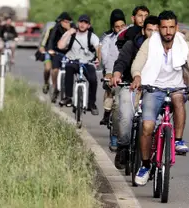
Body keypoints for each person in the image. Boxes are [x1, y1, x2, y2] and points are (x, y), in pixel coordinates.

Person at [129, 10, 189, 186]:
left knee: (179, 99)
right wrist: (137, 76)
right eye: (164, 28)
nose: (168, 32)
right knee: (147, 127)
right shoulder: (150, 43)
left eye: (171, 27)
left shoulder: (183, 43)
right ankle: (145, 165)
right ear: (159, 29)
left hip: (175, 87)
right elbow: (137, 63)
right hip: (153, 88)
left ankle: (177, 140)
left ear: (176, 27)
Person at [112, 15, 159, 169]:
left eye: (156, 30)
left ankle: (158, 153)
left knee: (158, 121)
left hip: (154, 89)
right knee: (125, 114)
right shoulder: (131, 45)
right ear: (144, 30)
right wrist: (117, 74)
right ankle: (123, 147)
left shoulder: (164, 48)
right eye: (149, 30)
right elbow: (121, 62)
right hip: (131, 86)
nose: (152, 34)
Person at [57, 14, 100, 115]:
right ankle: (68, 97)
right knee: (68, 68)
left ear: (88, 25)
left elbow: (98, 48)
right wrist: (68, 33)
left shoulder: (91, 36)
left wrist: (98, 58)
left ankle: (91, 104)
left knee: (93, 80)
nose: (82, 24)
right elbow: (60, 46)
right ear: (77, 23)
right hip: (73, 61)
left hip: (87, 62)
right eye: (81, 22)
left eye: (85, 23)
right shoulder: (71, 34)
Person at [99, 9, 127, 152]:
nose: (120, 29)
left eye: (123, 26)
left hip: (129, 74)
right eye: (117, 27)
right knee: (115, 103)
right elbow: (106, 56)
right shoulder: (108, 39)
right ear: (112, 27)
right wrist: (109, 73)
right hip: (113, 73)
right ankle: (115, 137)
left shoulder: (131, 36)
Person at [46, 12, 73, 103]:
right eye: (64, 21)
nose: (66, 23)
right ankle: (55, 87)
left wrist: (69, 30)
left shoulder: (73, 28)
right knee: (55, 70)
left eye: (68, 21)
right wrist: (50, 49)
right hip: (57, 52)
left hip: (69, 53)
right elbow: (51, 39)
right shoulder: (56, 28)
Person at [37, 20, 57, 94]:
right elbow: (44, 40)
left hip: (58, 52)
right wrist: (42, 47)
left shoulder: (65, 31)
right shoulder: (50, 29)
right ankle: (46, 83)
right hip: (48, 50)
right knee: (48, 68)